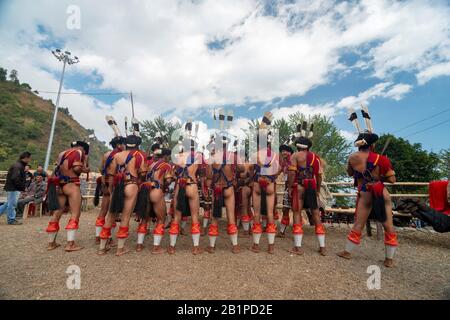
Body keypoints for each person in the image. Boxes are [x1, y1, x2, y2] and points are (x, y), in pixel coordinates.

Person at [337, 106, 398, 267]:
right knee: (388, 225)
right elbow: (392, 180)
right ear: (372, 145)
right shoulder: (382, 159)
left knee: (359, 223)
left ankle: (348, 252)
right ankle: (389, 260)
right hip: (381, 192)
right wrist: (381, 175)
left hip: (365, 194)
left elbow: (350, 174)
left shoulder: (353, 157)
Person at [99, 129, 148, 256]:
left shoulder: (117, 156)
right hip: (131, 185)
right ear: (137, 145)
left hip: (117, 186)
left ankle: (101, 248)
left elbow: (110, 174)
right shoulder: (140, 156)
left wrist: (110, 190)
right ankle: (120, 249)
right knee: (126, 216)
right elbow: (143, 173)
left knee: (111, 215)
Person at [288, 121, 326, 256]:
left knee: (297, 212)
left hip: (299, 186)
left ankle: (298, 247)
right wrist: (317, 189)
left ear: (298, 146)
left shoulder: (295, 156)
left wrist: (289, 187)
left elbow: (292, 173)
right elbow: (319, 176)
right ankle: (322, 247)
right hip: (312, 185)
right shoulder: (316, 158)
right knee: (315, 213)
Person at [168, 121, 205, 255]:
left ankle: (172, 247)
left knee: (177, 216)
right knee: (195, 216)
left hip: (180, 185)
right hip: (192, 185)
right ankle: (195, 247)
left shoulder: (177, 157)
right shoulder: (199, 156)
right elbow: (202, 174)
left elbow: (172, 174)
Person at [45, 141, 90, 251]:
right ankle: (70, 244)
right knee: (75, 213)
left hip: (60, 185)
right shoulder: (79, 152)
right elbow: (76, 169)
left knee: (56, 213)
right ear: (83, 148)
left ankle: (51, 243)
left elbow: (58, 169)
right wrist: (86, 169)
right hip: (72, 185)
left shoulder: (62, 153)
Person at [248, 112, 280, 254]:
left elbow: (249, 170)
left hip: (257, 184)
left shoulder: (255, 155)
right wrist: (270, 178)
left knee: (257, 214)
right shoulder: (275, 155)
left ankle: (256, 245)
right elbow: (278, 171)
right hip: (270, 185)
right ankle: (271, 246)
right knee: (270, 213)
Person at [204, 134, 242, 254]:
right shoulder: (233, 156)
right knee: (231, 217)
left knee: (215, 218)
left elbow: (209, 177)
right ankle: (235, 246)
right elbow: (242, 168)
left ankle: (211, 246)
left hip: (217, 190)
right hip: (229, 188)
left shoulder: (212, 157)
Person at [135, 142, 174, 253]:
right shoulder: (166, 166)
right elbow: (168, 180)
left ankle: (139, 245)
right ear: (165, 156)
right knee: (161, 219)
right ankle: (156, 247)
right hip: (156, 190)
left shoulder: (151, 165)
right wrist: (167, 185)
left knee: (144, 218)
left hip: (145, 190)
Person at [94, 117, 126, 244]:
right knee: (112, 212)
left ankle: (98, 236)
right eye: (122, 144)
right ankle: (108, 238)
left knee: (103, 210)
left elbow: (102, 170)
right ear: (118, 145)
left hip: (105, 183)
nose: (124, 145)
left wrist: (103, 184)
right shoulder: (121, 156)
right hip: (114, 185)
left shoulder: (106, 154)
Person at [0, 151, 31, 225]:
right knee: (12, 204)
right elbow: (15, 178)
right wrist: (21, 187)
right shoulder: (18, 166)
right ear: (26, 158)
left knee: (8, 204)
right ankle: (11, 219)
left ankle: (11, 218)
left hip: (12, 187)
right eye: (29, 158)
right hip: (13, 188)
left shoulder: (18, 165)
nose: (30, 160)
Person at [277, 143, 294, 237]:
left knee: (296, 210)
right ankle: (282, 231)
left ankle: (297, 233)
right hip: (288, 187)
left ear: (290, 152)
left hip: (295, 187)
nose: (283, 152)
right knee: (285, 208)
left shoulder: (294, 160)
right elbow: (279, 171)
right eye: (282, 151)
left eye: (285, 151)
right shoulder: (284, 162)